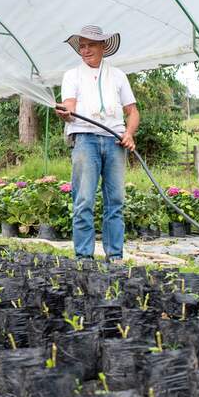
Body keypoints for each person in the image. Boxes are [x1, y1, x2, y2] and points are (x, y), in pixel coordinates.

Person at [55, 25, 139, 262]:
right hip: (85, 140)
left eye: (91, 45)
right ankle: (84, 258)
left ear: (103, 46)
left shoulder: (118, 76)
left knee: (116, 201)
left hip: (115, 142)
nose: (85, 50)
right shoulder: (72, 76)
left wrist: (129, 133)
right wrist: (64, 113)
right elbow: (69, 108)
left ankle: (115, 256)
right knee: (83, 200)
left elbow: (132, 111)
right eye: (82, 46)